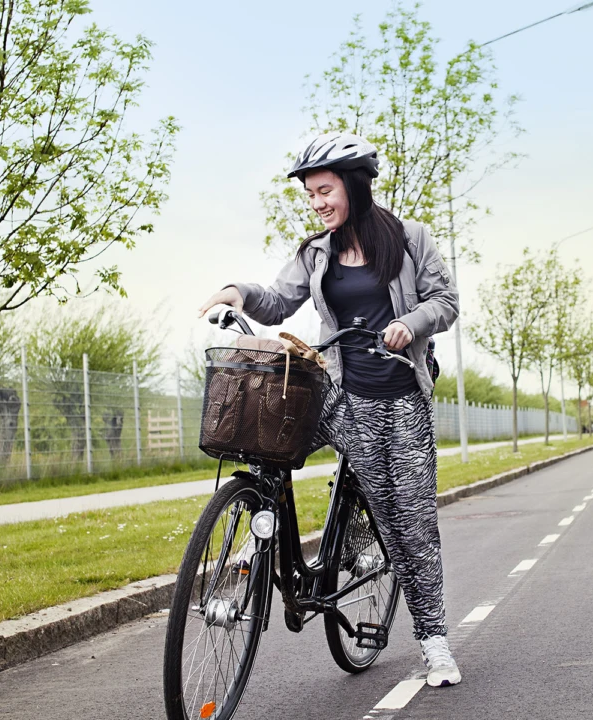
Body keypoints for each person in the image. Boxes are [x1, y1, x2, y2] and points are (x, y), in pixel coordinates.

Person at [197, 132, 462, 688]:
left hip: (398, 404)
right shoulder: (317, 252)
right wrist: (235, 293)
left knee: (409, 527)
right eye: (311, 194)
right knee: (268, 432)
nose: (317, 203)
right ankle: (257, 534)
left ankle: (434, 641)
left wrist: (408, 325)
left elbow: (444, 302)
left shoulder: (410, 240)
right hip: (338, 393)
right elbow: (276, 301)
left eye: (325, 190)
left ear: (354, 186)